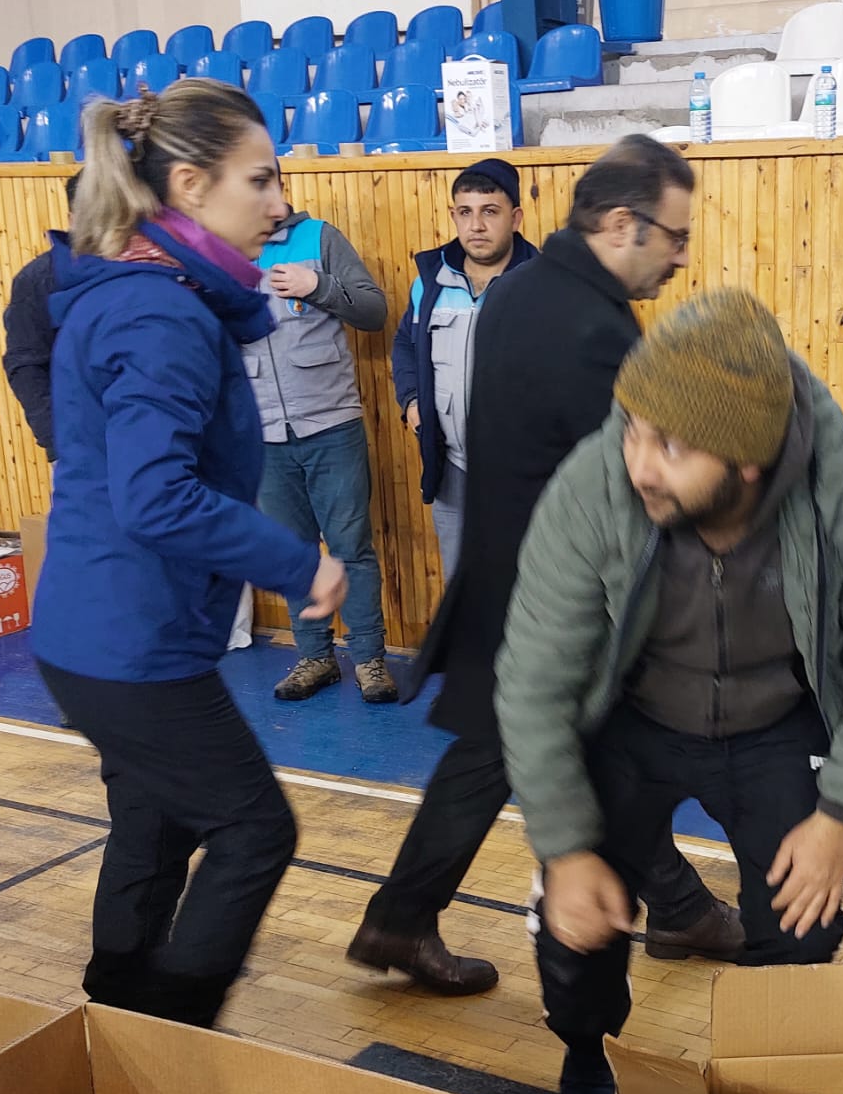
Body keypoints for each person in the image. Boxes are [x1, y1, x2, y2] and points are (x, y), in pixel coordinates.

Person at [499, 289, 843, 1094]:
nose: (639, 464)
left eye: (669, 446)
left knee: (805, 927)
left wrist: (839, 816)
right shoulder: (592, 486)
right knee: (575, 923)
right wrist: (565, 846)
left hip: (777, 723)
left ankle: (767, 1086)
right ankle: (589, 1052)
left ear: (746, 462)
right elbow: (534, 677)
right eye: (632, 430)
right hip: (632, 718)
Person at [346, 135, 741, 995]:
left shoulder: (524, 294)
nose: (681, 255)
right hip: (554, 599)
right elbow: (629, 488)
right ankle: (672, 908)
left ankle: (401, 920)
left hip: (504, 577)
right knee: (604, 760)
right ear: (620, 224)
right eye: (673, 235)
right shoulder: (593, 327)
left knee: (494, 758)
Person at [35, 80, 348, 1030]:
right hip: (133, 645)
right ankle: (170, 1038)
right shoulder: (158, 311)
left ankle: (118, 1009)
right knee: (255, 830)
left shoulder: (143, 292)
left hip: (94, 634)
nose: (281, 203)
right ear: (189, 184)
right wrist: (299, 564)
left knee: (154, 820)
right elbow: (155, 494)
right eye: (260, 180)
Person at [246, 199, 394, 704]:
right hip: (262, 433)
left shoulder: (319, 238)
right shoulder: (219, 249)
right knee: (294, 554)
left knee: (352, 548)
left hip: (332, 424)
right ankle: (315, 658)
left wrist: (320, 288)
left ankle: (369, 660)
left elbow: (374, 312)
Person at [391, 157, 539, 575]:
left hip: (523, 476)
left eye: (489, 212)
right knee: (462, 591)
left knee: (527, 589)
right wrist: (412, 400)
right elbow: (405, 342)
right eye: (465, 212)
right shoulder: (430, 281)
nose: (476, 225)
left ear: (515, 217)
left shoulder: (543, 284)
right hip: (451, 467)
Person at [0, 172, 80, 458]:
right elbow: (25, 365)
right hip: (77, 446)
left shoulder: (144, 274)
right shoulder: (37, 280)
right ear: (72, 219)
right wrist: (59, 440)